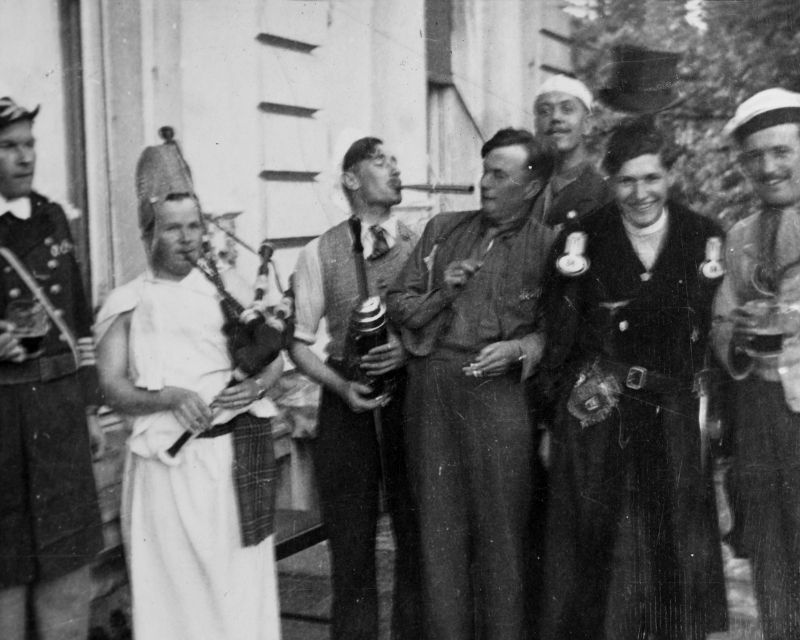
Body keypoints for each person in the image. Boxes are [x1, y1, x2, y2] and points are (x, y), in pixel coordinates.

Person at [537, 117, 728, 640]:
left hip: (673, 413)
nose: (640, 193)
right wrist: (552, 420)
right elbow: (561, 331)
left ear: (670, 177)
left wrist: (719, 421)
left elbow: (716, 330)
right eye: (626, 180)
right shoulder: (584, 236)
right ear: (610, 179)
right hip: (603, 411)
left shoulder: (703, 235)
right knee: (602, 550)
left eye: (651, 178)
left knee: (672, 549)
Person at [95, 138, 284, 640]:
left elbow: (273, 356)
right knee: (172, 600)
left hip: (233, 465)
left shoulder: (231, 289)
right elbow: (112, 388)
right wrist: (171, 398)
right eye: (173, 228)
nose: (186, 238)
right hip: (166, 473)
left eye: (195, 226)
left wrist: (258, 385)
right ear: (149, 232)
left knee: (238, 596)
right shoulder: (127, 301)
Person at [386, 128, 558, 640]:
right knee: (439, 535)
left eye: (498, 174)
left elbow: (560, 331)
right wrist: (443, 290)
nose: (484, 184)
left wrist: (518, 350)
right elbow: (399, 302)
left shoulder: (550, 248)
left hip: (500, 398)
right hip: (434, 392)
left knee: (502, 537)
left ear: (530, 187)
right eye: (484, 171)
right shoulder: (442, 230)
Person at [288, 137, 421, 640]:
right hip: (348, 406)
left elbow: (439, 327)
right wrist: (341, 388)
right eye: (381, 160)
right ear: (350, 179)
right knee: (351, 551)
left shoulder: (421, 242)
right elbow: (298, 345)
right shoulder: (318, 251)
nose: (395, 168)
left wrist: (407, 352)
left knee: (416, 546)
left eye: (395, 159)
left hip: (410, 404)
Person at [0, 96, 103, 640]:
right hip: (3, 418)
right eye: (9, 146)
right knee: (6, 573)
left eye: (29, 144)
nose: (24, 157)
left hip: (59, 414)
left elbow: (80, 321)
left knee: (67, 565)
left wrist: (89, 409)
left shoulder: (52, 215)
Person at [711, 87, 800, 640]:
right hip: (759, 416)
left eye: (781, 151)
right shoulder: (739, 237)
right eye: (754, 157)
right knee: (770, 555)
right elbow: (721, 322)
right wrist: (737, 338)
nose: (768, 167)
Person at [532, 74, 610, 227]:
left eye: (567, 109)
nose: (555, 117)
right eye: (544, 111)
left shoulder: (602, 192)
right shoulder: (527, 184)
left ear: (587, 123)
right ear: (536, 125)